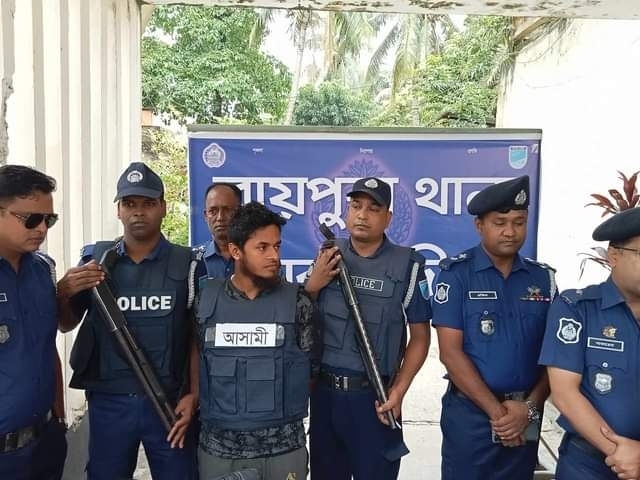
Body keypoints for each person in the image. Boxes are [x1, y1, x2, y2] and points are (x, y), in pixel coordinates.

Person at [57, 162, 202, 480]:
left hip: (169, 403)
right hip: (109, 401)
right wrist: (64, 292)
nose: (138, 212)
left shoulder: (188, 264)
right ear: (118, 210)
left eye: (148, 203)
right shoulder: (94, 261)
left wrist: (194, 394)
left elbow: (197, 337)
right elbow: (66, 324)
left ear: (163, 208)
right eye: (129, 203)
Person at [431, 175, 557, 480]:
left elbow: (555, 356)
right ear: (480, 226)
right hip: (472, 417)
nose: (510, 232)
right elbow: (450, 354)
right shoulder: (456, 275)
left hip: (525, 414)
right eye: (500, 222)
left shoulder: (543, 279)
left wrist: (528, 409)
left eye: (519, 222)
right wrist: (499, 415)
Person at [305, 177, 431, 480]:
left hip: (375, 399)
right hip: (325, 397)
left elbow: (420, 338)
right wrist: (312, 286)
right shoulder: (328, 254)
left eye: (374, 208)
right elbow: (301, 317)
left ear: (388, 217)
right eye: (355, 206)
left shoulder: (408, 265)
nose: (362, 215)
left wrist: (399, 391)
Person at [195, 201, 318, 480]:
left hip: (283, 450)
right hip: (220, 451)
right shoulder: (206, 302)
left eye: (277, 246)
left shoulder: (298, 303)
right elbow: (198, 356)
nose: (274, 256)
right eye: (262, 247)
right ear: (236, 251)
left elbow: (310, 371)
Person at [539, 207, 640, 480]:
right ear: (614, 256)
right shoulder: (577, 309)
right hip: (589, 465)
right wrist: (623, 455)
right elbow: (564, 393)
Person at [0, 164, 67, 480]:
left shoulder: (43, 270)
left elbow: (47, 345)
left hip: (45, 443)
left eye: (48, 220)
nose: (41, 229)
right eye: (31, 219)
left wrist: (59, 417)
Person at [199, 183, 242, 278]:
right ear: (206, 216)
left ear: (239, 213)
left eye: (227, 210)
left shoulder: (255, 258)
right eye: (213, 211)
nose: (220, 218)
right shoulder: (193, 260)